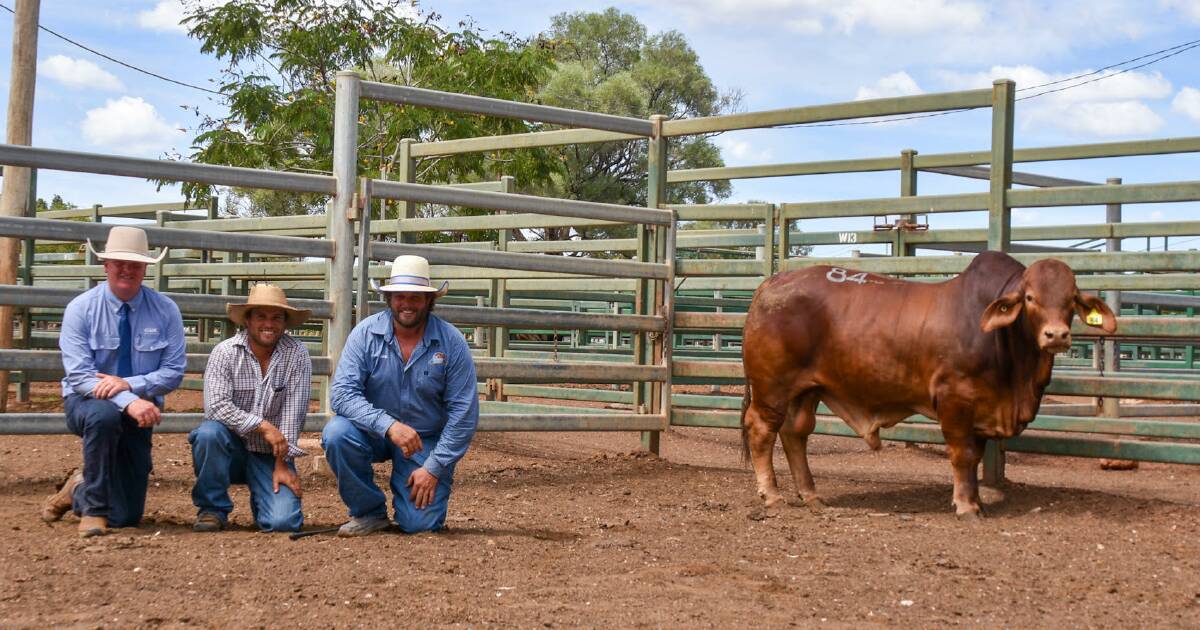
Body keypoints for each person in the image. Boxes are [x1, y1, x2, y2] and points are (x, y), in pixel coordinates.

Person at [41, 226, 185, 537]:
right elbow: (80, 376)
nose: (127, 270)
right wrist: (129, 399)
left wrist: (129, 385)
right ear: (105, 265)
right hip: (87, 402)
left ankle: (78, 488)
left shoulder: (166, 310)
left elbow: (174, 372)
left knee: (127, 516)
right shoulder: (81, 309)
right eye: (119, 262)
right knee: (104, 415)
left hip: (139, 408)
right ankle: (93, 510)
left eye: (134, 264)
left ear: (146, 268)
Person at [322, 255, 479, 536]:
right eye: (400, 296)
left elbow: (463, 415)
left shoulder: (451, 341)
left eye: (416, 297)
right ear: (390, 298)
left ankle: (416, 491)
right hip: (373, 433)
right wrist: (389, 425)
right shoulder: (365, 334)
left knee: (420, 525)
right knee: (337, 434)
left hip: (425, 440)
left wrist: (433, 468)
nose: (407, 304)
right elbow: (343, 395)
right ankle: (368, 511)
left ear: (429, 301)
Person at [189, 284, 313, 533]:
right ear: (247, 320)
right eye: (261, 316)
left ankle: (264, 500)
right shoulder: (224, 353)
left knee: (284, 522)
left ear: (285, 322)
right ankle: (212, 509)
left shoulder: (297, 353)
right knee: (209, 433)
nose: (269, 323)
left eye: (277, 317)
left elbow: (293, 413)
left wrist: (282, 463)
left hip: (271, 452)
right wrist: (262, 425)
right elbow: (216, 407)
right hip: (230, 448)